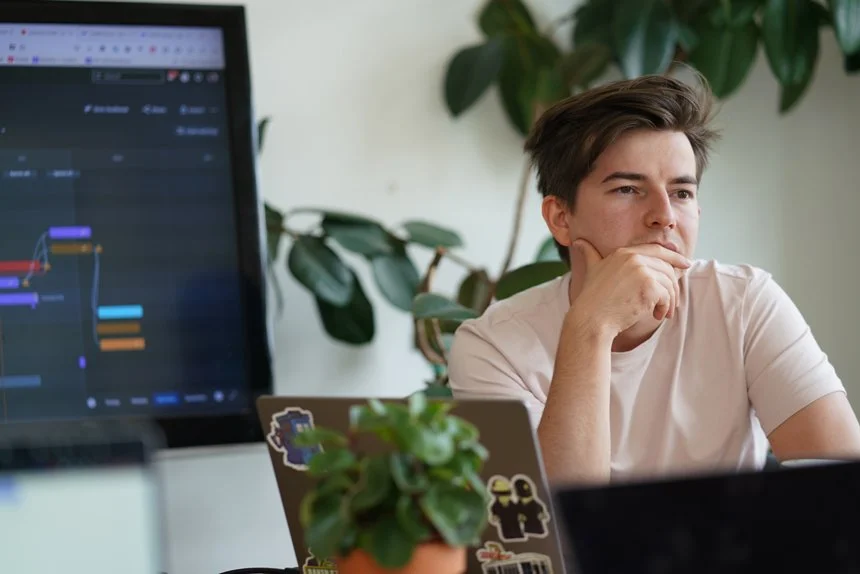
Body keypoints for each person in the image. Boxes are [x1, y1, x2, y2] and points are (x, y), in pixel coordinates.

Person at [447, 73, 860, 486]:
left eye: (682, 193)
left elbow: (842, 490)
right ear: (561, 218)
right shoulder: (493, 345)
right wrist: (590, 329)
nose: (664, 215)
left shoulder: (744, 303)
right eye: (628, 189)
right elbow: (549, 532)